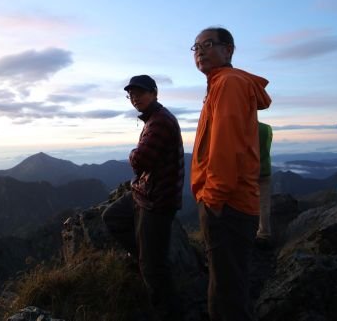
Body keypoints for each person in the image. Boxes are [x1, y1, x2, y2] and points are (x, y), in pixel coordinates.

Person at [190, 27, 272, 321]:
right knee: (228, 287)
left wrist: (212, 199)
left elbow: (227, 147)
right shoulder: (219, 84)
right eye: (195, 47)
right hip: (229, 203)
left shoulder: (229, 83)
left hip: (228, 205)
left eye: (207, 44)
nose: (199, 51)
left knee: (226, 297)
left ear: (228, 50)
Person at [102, 74, 184, 320]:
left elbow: (140, 160)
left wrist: (131, 153)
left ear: (155, 93)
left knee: (153, 268)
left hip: (157, 201)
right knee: (112, 217)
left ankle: (169, 313)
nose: (134, 98)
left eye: (140, 93)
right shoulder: (154, 118)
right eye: (131, 95)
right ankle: (143, 254)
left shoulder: (159, 122)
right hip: (144, 193)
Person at [255, 122, 273, 248]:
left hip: (248, 171)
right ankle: (264, 234)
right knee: (264, 204)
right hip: (265, 169)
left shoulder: (242, 126)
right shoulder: (267, 128)